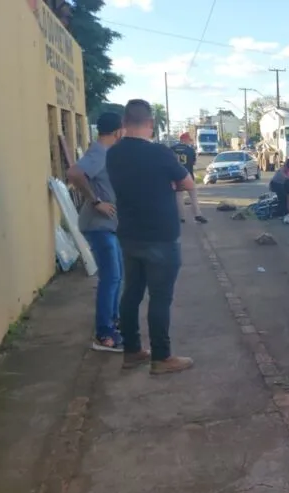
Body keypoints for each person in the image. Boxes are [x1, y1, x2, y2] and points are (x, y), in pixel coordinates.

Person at [106, 99, 195, 375]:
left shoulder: (114, 153)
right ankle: (161, 356)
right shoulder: (159, 153)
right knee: (160, 297)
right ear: (150, 124)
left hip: (129, 234)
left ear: (123, 123)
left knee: (131, 292)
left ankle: (131, 351)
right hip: (161, 235)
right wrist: (169, 183)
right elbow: (188, 182)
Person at [66, 112, 125, 353]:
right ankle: (103, 333)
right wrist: (96, 201)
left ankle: (113, 321)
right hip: (98, 226)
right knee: (110, 277)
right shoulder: (99, 152)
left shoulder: (106, 152)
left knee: (117, 276)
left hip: (110, 226)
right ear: (118, 131)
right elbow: (74, 174)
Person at [170, 132, 208, 224]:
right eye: (188, 139)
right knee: (193, 196)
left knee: (179, 197)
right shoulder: (190, 150)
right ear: (184, 139)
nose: (189, 141)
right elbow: (193, 163)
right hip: (188, 175)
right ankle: (197, 215)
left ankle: (181, 217)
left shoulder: (172, 149)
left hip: (176, 176)